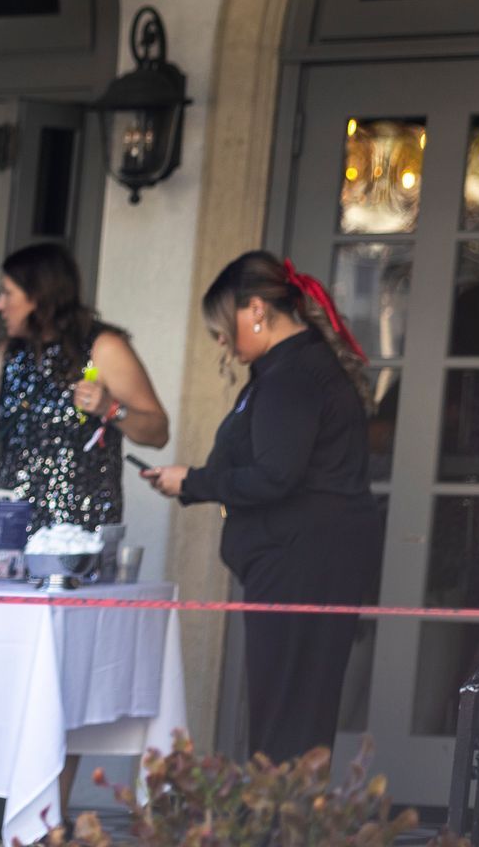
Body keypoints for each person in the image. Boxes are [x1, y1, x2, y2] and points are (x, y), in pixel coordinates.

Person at [141, 250, 384, 762]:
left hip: (302, 563)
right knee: (296, 715)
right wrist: (195, 483)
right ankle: (291, 827)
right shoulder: (296, 366)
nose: (222, 343)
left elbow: (275, 476)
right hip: (311, 559)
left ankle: (280, 832)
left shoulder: (292, 376)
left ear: (256, 309)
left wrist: (194, 480)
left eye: (222, 329)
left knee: (286, 720)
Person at [0, 243, 169, 531]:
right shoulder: (9, 352)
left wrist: (110, 407)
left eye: (8, 293)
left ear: (38, 297)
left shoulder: (104, 348)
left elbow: (158, 432)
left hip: (78, 527)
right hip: (13, 520)